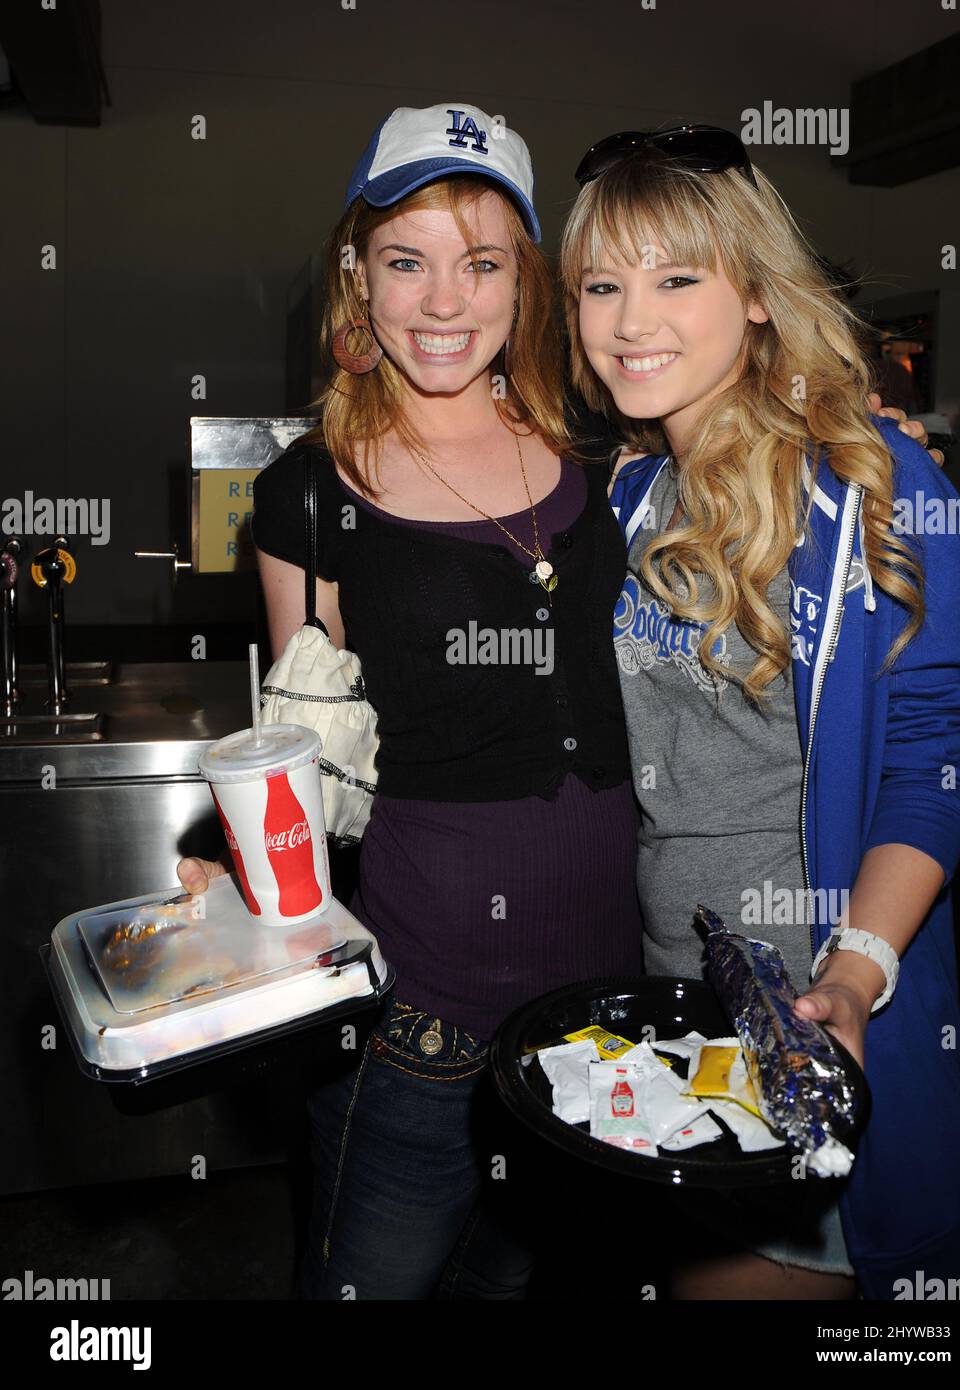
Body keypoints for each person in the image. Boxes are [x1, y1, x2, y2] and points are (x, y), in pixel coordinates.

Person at [178, 103, 644, 1300]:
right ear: (358, 278)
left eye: (480, 262)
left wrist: (877, 444)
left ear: (524, 284)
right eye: (406, 261)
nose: (444, 302)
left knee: (515, 1282)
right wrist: (230, 858)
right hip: (413, 1017)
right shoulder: (308, 493)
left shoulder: (603, 454)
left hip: (594, 1005)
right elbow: (304, 744)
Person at [559, 123, 960, 1300]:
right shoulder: (628, 491)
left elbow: (926, 762)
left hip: (809, 1019)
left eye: (675, 277)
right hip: (663, 1016)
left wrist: (851, 978)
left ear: (754, 293)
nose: (628, 319)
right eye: (601, 283)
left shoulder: (868, 492)